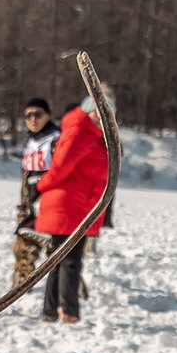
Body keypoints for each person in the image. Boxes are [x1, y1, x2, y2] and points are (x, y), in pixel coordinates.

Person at [35, 89, 110, 323]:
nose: (101, 116)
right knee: (68, 260)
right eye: (98, 111)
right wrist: (42, 186)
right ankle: (66, 310)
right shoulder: (80, 132)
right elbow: (60, 166)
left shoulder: (93, 135)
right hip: (67, 205)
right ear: (89, 110)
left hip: (77, 205)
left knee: (62, 259)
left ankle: (54, 309)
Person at [12, 97, 59, 283]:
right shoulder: (30, 142)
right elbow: (25, 178)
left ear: (48, 115)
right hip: (30, 205)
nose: (33, 119)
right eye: (28, 115)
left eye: (38, 114)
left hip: (51, 206)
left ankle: (67, 291)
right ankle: (19, 289)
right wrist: (24, 205)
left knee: (57, 255)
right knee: (22, 249)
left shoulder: (56, 140)